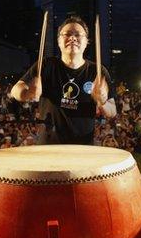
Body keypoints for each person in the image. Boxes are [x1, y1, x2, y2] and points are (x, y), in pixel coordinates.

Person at [10, 16, 117, 144]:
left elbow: (112, 111)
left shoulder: (98, 71)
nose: (72, 38)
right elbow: (16, 89)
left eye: (78, 34)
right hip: (49, 146)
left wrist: (103, 102)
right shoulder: (46, 65)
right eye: (67, 34)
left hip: (82, 147)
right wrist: (27, 93)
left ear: (87, 41)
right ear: (59, 41)